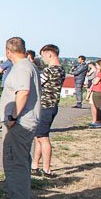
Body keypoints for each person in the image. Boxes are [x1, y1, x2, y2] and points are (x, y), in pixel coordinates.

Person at [0, 37, 40, 199]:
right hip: (23, 122)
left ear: (8, 51)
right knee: (17, 161)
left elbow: (23, 92)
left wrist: (13, 116)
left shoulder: (22, 68)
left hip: (20, 123)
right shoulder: (28, 66)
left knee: (16, 163)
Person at [31, 44, 65, 177]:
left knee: (43, 138)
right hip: (52, 106)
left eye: (43, 55)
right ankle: (35, 165)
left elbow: (36, 84)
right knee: (38, 137)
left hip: (45, 106)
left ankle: (46, 169)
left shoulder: (49, 71)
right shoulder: (61, 70)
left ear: (49, 54)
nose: (42, 58)